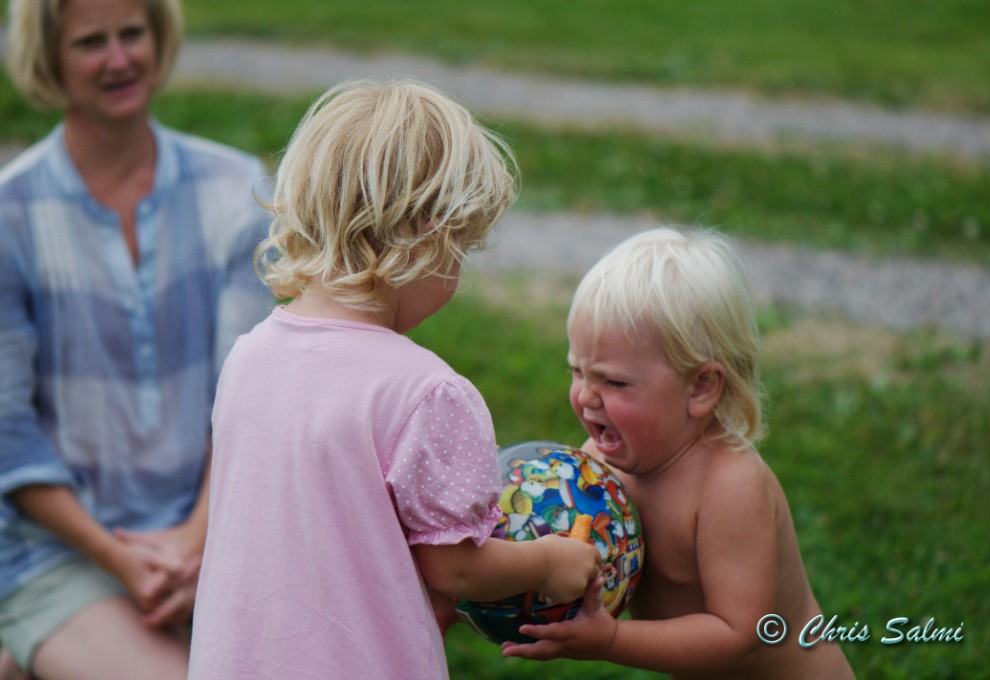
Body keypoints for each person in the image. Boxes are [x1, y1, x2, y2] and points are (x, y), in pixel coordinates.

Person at [186, 78, 601, 680]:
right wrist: (548, 562)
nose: (458, 269)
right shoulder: (427, 393)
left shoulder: (249, 356)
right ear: (427, 235)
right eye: (462, 246)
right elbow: (455, 571)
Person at [0, 0, 272, 677]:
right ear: (50, 58)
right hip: (57, 550)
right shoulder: (10, 215)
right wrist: (121, 558)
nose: (120, 59)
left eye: (133, 33)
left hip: (221, 529)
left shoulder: (237, 191)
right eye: (92, 42)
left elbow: (251, 396)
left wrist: (194, 542)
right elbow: (7, 434)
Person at [502, 229, 856, 679]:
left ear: (701, 387)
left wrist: (610, 640)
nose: (586, 397)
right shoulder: (596, 471)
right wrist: (484, 587)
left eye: (614, 382)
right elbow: (543, 542)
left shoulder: (728, 484)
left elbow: (739, 636)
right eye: (577, 371)